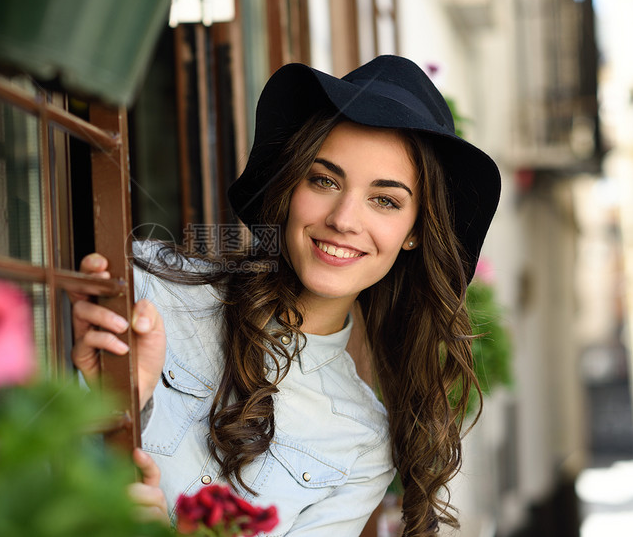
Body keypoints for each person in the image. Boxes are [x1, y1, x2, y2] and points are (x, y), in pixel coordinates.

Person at [71, 55, 501, 536]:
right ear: (291, 185)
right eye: (324, 180)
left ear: (415, 232)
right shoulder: (152, 288)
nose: (344, 219)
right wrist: (117, 399)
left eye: (385, 200)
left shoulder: (359, 446)